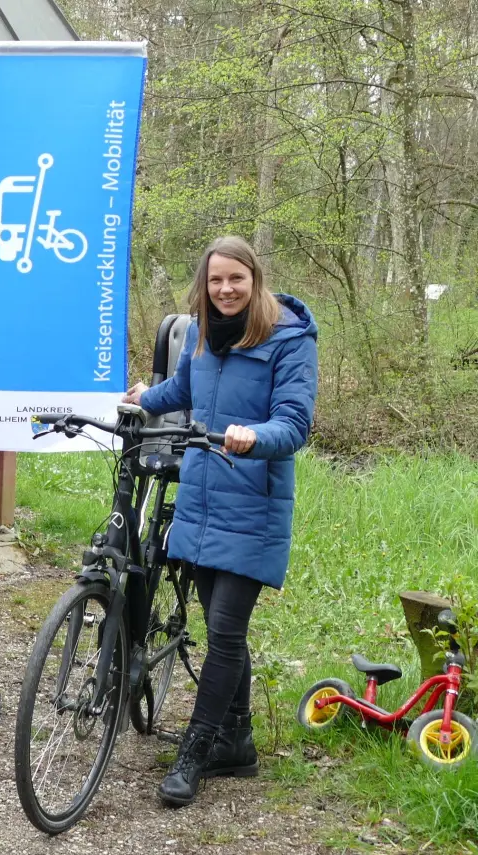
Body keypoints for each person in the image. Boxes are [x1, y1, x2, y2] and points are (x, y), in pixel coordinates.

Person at [122, 235, 318, 807]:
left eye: (236, 279)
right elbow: (185, 388)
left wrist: (255, 436)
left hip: (253, 503)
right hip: (202, 499)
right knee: (221, 627)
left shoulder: (289, 340)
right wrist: (146, 397)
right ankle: (240, 743)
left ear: (254, 279)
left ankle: (197, 750)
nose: (226, 289)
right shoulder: (204, 334)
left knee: (227, 632)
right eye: (215, 281)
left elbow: (296, 423)